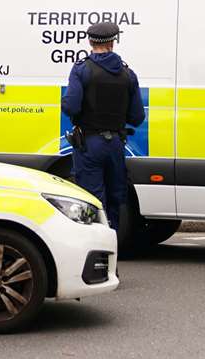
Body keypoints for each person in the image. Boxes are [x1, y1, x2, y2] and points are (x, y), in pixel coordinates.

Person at [61, 20, 144, 231]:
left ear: (90, 41)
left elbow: (70, 106)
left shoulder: (82, 69)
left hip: (89, 144)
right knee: (116, 199)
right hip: (116, 144)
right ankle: (112, 243)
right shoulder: (128, 74)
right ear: (112, 43)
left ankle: (94, 245)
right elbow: (137, 117)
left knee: (91, 200)